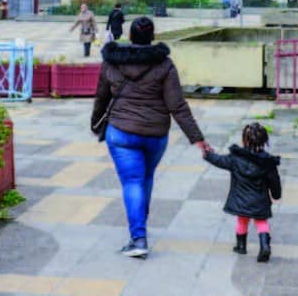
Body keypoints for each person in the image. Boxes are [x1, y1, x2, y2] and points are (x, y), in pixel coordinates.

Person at [91, 17, 211, 259]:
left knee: (132, 181)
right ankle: (139, 229)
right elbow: (177, 105)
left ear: (131, 36)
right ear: (152, 36)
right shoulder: (164, 64)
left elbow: (101, 98)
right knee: (145, 178)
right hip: (155, 134)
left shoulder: (111, 62)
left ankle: (138, 238)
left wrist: (95, 123)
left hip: (121, 132)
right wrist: (197, 138)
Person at [203, 122, 282, 263]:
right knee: (261, 222)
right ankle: (264, 246)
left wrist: (208, 154)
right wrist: (276, 194)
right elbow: (274, 181)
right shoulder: (267, 162)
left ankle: (241, 246)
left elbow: (219, 160)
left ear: (244, 140)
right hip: (260, 200)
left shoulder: (235, 158)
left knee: (242, 221)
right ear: (264, 141)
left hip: (241, 200)